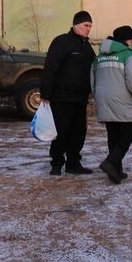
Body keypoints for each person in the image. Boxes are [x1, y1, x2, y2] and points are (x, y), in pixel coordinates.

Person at [39, 10, 96, 176]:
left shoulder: (86, 46)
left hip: (80, 98)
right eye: (86, 25)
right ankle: (56, 163)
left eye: (90, 26)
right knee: (61, 131)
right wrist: (46, 94)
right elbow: (50, 68)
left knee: (78, 132)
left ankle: (73, 163)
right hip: (62, 97)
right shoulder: (62, 42)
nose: (88, 29)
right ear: (76, 24)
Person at [92, 25, 132, 185]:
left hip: (103, 99)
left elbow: (93, 78)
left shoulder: (100, 56)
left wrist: (97, 97)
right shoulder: (128, 55)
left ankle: (115, 172)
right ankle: (111, 162)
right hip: (122, 99)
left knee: (113, 132)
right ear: (127, 40)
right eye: (131, 39)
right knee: (129, 131)